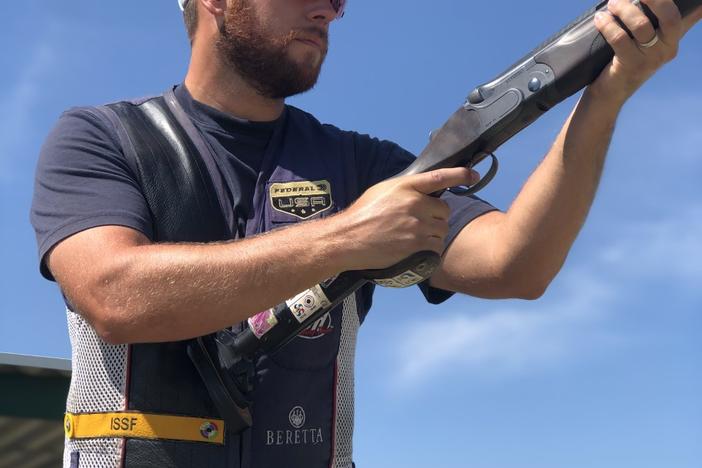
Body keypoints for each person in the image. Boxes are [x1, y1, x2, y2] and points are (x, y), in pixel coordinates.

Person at [30, 0, 701, 467]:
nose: (329, 10)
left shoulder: (363, 164)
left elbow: (516, 266)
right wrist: (347, 237)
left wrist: (605, 97)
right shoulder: (100, 137)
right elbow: (114, 297)